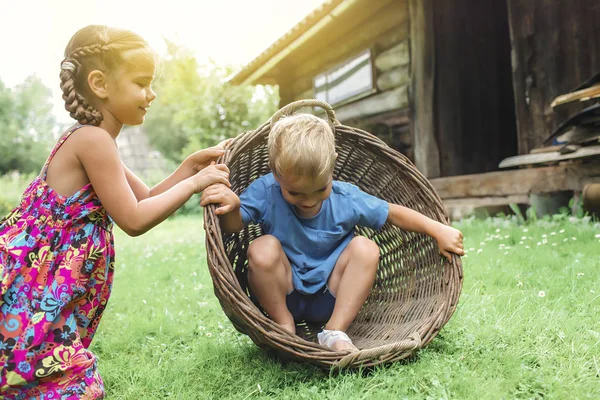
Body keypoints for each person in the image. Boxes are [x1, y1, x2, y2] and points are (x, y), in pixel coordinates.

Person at [0, 25, 230, 398]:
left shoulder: (95, 140)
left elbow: (147, 197)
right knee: (67, 385)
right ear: (100, 84)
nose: (151, 94)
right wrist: (195, 183)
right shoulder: (92, 141)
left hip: (40, 289)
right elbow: (134, 219)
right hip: (30, 288)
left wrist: (188, 167)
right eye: (141, 83)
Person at [200, 113, 464, 352]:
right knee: (261, 247)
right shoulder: (265, 191)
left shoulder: (345, 197)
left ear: (333, 167)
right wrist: (233, 207)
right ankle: (283, 324)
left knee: (366, 247)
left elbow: (393, 212)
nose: (308, 200)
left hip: (333, 295)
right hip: (283, 290)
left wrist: (437, 228)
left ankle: (334, 331)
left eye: (319, 189)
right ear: (275, 172)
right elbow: (232, 226)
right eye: (295, 192)